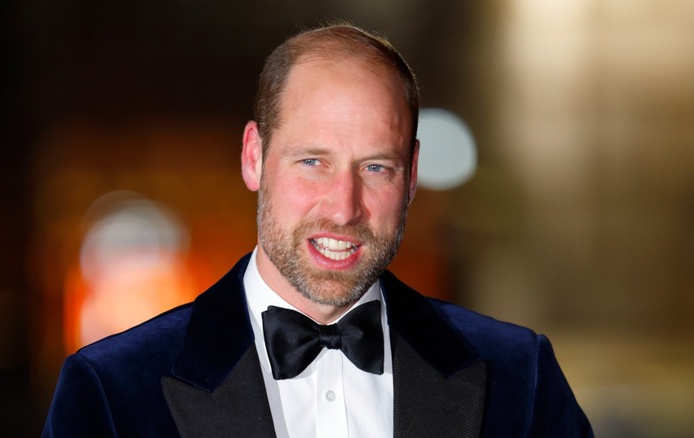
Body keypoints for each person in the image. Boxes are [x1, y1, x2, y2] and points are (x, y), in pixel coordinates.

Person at [43, 24, 593, 437]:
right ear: (254, 157)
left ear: (412, 177)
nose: (344, 208)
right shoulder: (111, 393)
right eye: (313, 162)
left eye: (376, 167)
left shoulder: (521, 378)